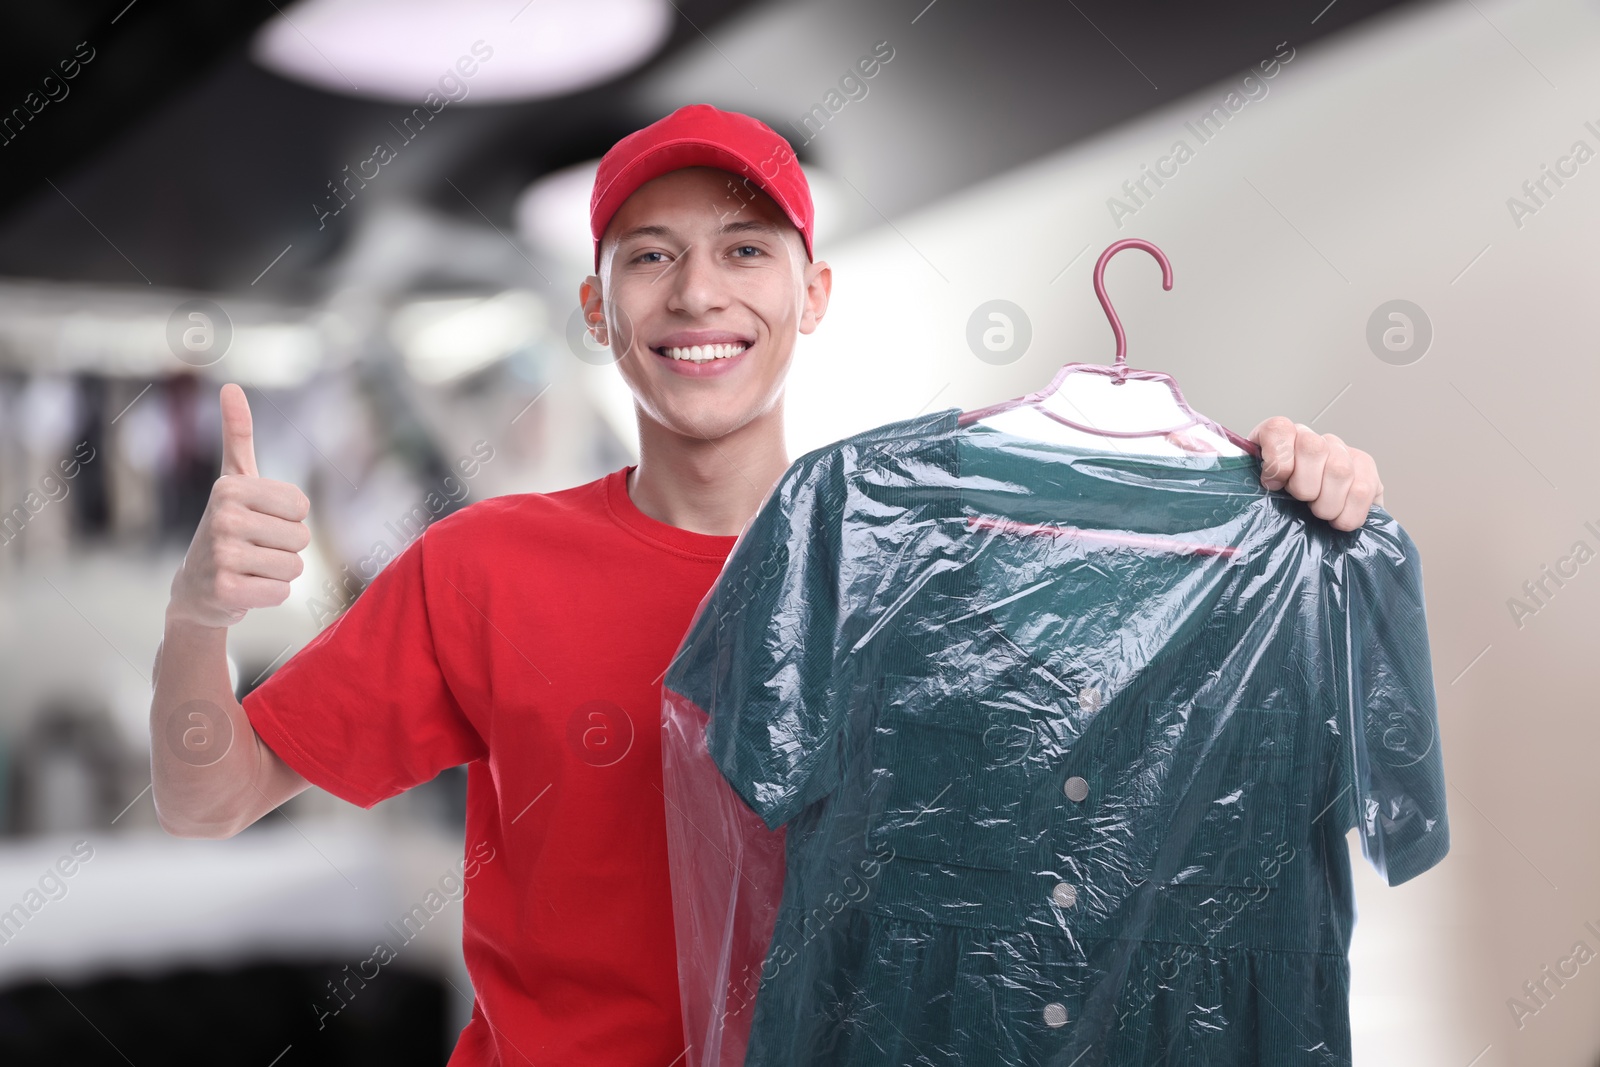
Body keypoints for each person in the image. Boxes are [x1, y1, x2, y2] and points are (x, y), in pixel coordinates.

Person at [149, 103, 1388, 1065]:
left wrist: (1292, 505)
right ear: (597, 307)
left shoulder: (946, 563)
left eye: (745, 248)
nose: (697, 293)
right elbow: (209, 798)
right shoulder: (482, 567)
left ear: (813, 295)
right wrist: (198, 615)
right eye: (650, 257)